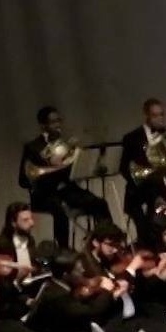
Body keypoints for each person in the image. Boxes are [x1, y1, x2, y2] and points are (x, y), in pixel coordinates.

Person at [18, 106, 109, 247]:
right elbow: (23, 180)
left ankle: (106, 241)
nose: (58, 125)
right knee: (60, 211)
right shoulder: (33, 147)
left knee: (100, 203)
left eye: (59, 121)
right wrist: (52, 170)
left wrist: (79, 160)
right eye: (53, 122)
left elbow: (72, 172)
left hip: (67, 190)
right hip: (45, 194)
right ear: (43, 125)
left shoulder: (65, 144)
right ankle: (63, 251)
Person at [119, 98, 166, 248]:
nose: (160, 118)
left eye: (162, 115)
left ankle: (158, 251)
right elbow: (124, 167)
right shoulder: (131, 138)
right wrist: (139, 178)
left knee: (157, 223)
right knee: (144, 227)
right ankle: (147, 252)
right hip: (138, 190)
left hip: (159, 190)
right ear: (146, 115)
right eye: (155, 115)